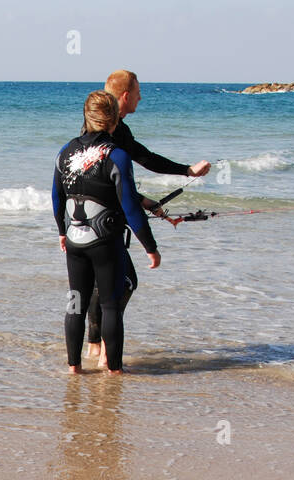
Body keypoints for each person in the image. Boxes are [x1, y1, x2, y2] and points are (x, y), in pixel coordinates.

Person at [84, 70, 211, 364]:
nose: (141, 98)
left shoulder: (110, 129)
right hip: (103, 219)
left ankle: (92, 348)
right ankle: (104, 350)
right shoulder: (109, 131)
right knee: (124, 282)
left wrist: (144, 199)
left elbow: (139, 159)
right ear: (125, 96)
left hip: (85, 219)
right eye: (138, 93)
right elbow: (120, 171)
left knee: (99, 284)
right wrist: (188, 171)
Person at [52, 90, 156, 375]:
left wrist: (62, 231)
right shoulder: (117, 155)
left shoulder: (66, 151)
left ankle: (74, 368)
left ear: (87, 116)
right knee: (110, 306)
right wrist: (150, 246)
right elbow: (130, 206)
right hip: (104, 242)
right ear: (113, 122)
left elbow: (57, 197)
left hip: (74, 241)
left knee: (76, 303)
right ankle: (114, 370)